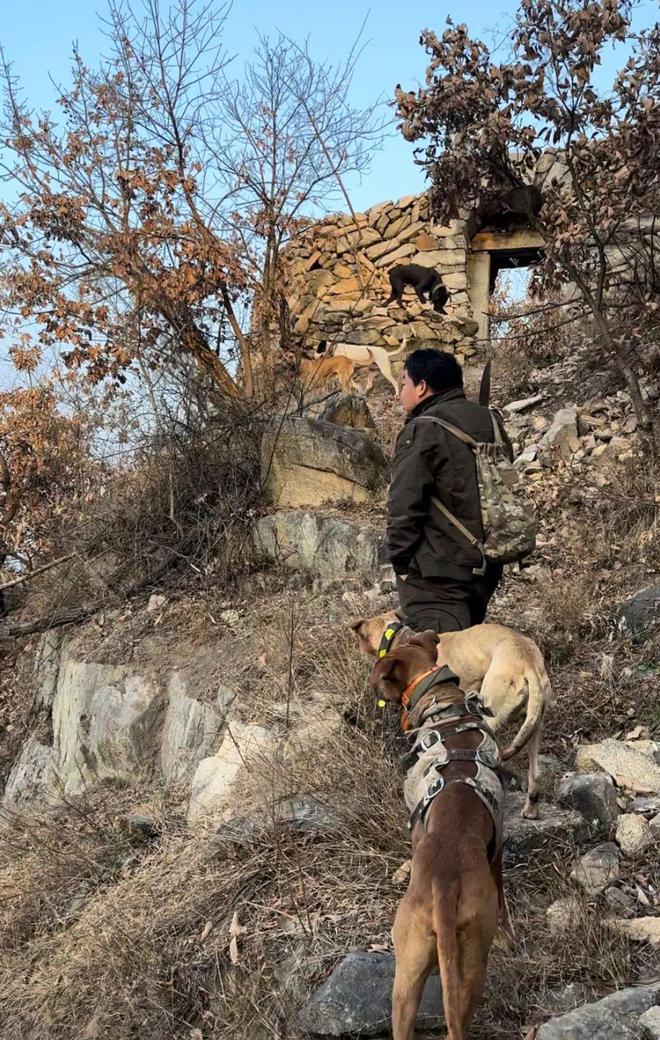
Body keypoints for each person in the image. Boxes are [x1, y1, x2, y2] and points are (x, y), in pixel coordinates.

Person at [386, 348, 511, 633]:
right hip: (486, 566)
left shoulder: (422, 429)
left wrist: (401, 563)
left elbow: (403, 504)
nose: (400, 392)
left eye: (404, 382)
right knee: (463, 659)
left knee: (436, 667)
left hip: (437, 573)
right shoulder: (491, 421)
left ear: (421, 386)